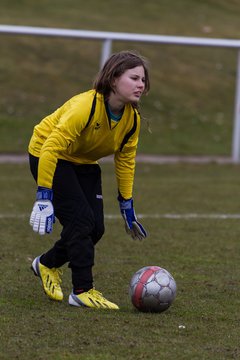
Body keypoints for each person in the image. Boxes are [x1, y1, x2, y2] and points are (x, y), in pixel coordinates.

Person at [28, 50, 150, 310]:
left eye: (143, 79)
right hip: (47, 153)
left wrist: (126, 204)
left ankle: (47, 263)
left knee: (95, 228)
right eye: (134, 78)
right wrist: (43, 196)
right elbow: (51, 147)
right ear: (114, 79)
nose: (141, 84)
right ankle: (83, 290)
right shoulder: (86, 106)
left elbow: (126, 161)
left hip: (84, 162)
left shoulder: (132, 120)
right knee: (80, 220)